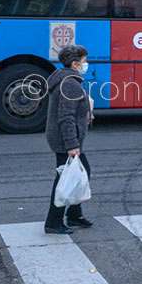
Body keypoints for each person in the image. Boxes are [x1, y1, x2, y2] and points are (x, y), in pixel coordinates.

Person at [44, 45, 94, 235]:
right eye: (83, 61)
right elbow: (66, 117)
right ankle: (53, 222)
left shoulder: (65, 78)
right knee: (65, 179)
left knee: (80, 172)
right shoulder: (70, 84)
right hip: (66, 141)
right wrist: (72, 145)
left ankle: (74, 214)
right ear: (74, 64)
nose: (85, 65)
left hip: (64, 139)